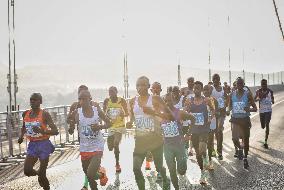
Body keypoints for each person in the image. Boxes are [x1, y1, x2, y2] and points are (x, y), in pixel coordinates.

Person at [126, 76, 172, 190]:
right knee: (136, 168)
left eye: (143, 85)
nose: (140, 87)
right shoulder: (132, 101)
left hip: (155, 139)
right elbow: (132, 118)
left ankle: (165, 180)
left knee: (158, 167)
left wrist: (154, 112)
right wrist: (130, 122)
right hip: (140, 141)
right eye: (138, 85)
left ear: (148, 86)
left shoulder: (156, 99)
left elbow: (170, 117)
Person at [70, 90, 111, 190]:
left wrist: (100, 126)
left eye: (84, 99)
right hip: (84, 148)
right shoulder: (77, 113)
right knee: (89, 175)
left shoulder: (97, 111)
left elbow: (109, 123)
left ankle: (101, 174)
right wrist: (71, 127)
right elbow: (70, 122)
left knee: (90, 173)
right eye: (80, 99)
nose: (82, 101)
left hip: (97, 146)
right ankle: (101, 175)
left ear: (90, 99)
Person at [18, 93, 59, 190]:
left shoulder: (44, 114)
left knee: (43, 174)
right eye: (31, 99)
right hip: (32, 145)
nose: (32, 101)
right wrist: (21, 136)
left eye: (35, 100)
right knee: (27, 171)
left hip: (44, 144)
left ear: (40, 102)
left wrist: (42, 131)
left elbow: (55, 131)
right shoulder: (26, 113)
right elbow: (24, 127)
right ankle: (39, 174)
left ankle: (45, 185)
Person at [160, 92, 195, 189]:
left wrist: (188, 134)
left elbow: (193, 119)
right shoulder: (160, 114)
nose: (167, 103)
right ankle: (176, 188)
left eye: (169, 101)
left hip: (179, 145)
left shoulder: (179, 112)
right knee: (171, 170)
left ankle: (182, 168)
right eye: (165, 101)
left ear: (173, 101)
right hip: (167, 147)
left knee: (182, 171)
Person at [186, 81, 215, 184]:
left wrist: (210, 118)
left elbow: (213, 110)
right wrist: (187, 112)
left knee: (202, 149)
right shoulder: (190, 101)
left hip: (204, 129)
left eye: (198, 88)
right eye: (194, 88)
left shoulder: (206, 100)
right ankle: (202, 172)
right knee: (198, 154)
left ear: (201, 89)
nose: (196, 90)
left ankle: (206, 158)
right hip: (194, 130)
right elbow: (186, 112)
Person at [67, 85, 95, 190]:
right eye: (80, 94)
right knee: (85, 161)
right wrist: (71, 126)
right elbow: (69, 119)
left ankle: (88, 182)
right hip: (82, 137)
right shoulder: (74, 106)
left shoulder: (94, 105)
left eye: (84, 93)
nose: (82, 96)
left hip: (93, 138)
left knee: (92, 160)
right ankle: (87, 183)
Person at [228, 77, 257, 169]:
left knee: (246, 140)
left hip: (245, 119)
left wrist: (249, 109)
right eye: (238, 83)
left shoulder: (247, 94)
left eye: (241, 83)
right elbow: (229, 106)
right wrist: (228, 110)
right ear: (236, 85)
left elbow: (255, 108)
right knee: (234, 138)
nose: (239, 85)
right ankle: (240, 148)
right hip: (235, 119)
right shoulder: (231, 94)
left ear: (243, 84)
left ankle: (245, 158)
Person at [103, 86, 128, 173]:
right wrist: (107, 117)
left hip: (120, 126)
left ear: (116, 92)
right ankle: (112, 144)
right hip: (111, 126)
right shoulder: (107, 101)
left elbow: (127, 113)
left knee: (116, 143)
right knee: (110, 147)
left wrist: (123, 114)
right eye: (109, 92)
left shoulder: (122, 100)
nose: (111, 93)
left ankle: (117, 164)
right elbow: (104, 115)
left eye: (112, 92)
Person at [145, 82, 163, 171]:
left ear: (161, 90)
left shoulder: (163, 99)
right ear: (151, 90)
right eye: (154, 88)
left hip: (160, 126)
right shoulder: (147, 99)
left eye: (158, 88)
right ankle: (147, 161)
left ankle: (159, 170)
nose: (156, 90)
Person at [211, 74, 228, 160]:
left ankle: (219, 152)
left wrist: (225, 105)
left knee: (219, 130)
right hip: (213, 113)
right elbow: (206, 97)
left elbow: (227, 98)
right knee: (213, 132)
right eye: (214, 79)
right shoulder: (211, 89)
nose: (216, 80)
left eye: (217, 79)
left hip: (221, 113)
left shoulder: (222, 89)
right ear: (212, 80)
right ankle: (213, 150)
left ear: (219, 79)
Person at [254, 79, 274, 149]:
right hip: (261, 111)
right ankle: (264, 140)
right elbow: (254, 100)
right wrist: (259, 99)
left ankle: (265, 142)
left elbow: (273, 100)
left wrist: (271, 100)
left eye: (265, 84)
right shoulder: (258, 91)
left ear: (267, 84)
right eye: (262, 84)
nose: (264, 86)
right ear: (261, 85)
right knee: (263, 126)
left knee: (267, 124)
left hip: (268, 111)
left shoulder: (270, 91)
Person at [203, 84, 217, 170]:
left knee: (210, 143)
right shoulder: (200, 100)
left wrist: (212, 115)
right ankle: (205, 161)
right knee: (203, 143)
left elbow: (217, 111)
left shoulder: (214, 100)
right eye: (204, 90)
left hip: (212, 124)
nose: (205, 91)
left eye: (207, 90)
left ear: (211, 91)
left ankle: (210, 161)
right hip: (203, 125)